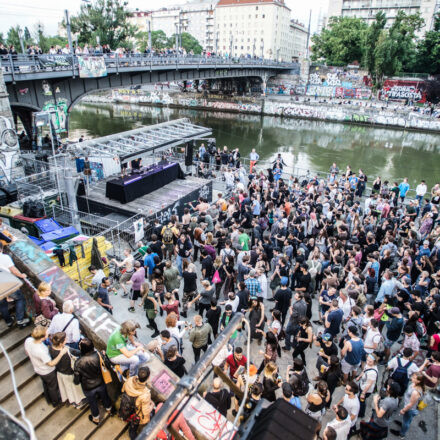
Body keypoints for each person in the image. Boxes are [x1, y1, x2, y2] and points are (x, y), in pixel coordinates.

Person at [74, 338, 114, 425]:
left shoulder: (78, 362)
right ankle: (109, 409)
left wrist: (78, 381)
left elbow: (77, 379)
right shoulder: (99, 355)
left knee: (92, 403)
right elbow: (107, 365)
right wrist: (105, 356)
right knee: (105, 396)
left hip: (88, 387)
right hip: (100, 382)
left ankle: (96, 418)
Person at [24, 326, 65, 406]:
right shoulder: (40, 350)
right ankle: (56, 402)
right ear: (43, 337)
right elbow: (51, 363)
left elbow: (27, 352)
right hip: (47, 371)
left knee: (45, 384)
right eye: (46, 333)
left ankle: (48, 398)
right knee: (53, 387)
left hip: (38, 369)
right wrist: (61, 354)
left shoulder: (28, 340)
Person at [48, 332, 85, 408]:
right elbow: (79, 353)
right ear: (61, 343)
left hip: (60, 373)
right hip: (69, 373)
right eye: (65, 339)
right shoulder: (66, 351)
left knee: (67, 389)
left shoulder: (51, 348)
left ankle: (71, 401)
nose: (67, 340)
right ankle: (78, 402)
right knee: (74, 389)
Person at [120, 366, 154, 439]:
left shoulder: (130, 380)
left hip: (126, 407)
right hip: (136, 413)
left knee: (132, 425)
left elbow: (123, 390)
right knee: (134, 427)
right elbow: (145, 412)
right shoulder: (145, 394)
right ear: (148, 378)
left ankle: (131, 432)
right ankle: (133, 435)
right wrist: (152, 405)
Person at [0, 243, 30, 327]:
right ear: (1, 249)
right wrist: (22, 275)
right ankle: (20, 320)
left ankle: (8, 321)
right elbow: (13, 270)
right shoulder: (4, 257)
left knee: (2, 304)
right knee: (20, 299)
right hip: (7, 284)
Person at [356, 354, 378, 418]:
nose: (368, 362)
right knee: (360, 399)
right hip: (362, 385)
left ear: (374, 361)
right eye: (367, 360)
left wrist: (363, 393)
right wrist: (359, 377)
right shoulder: (368, 365)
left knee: (362, 401)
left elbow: (369, 384)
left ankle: (361, 414)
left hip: (366, 390)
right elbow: (364, 371)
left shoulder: (373, 373)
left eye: (370, 361)